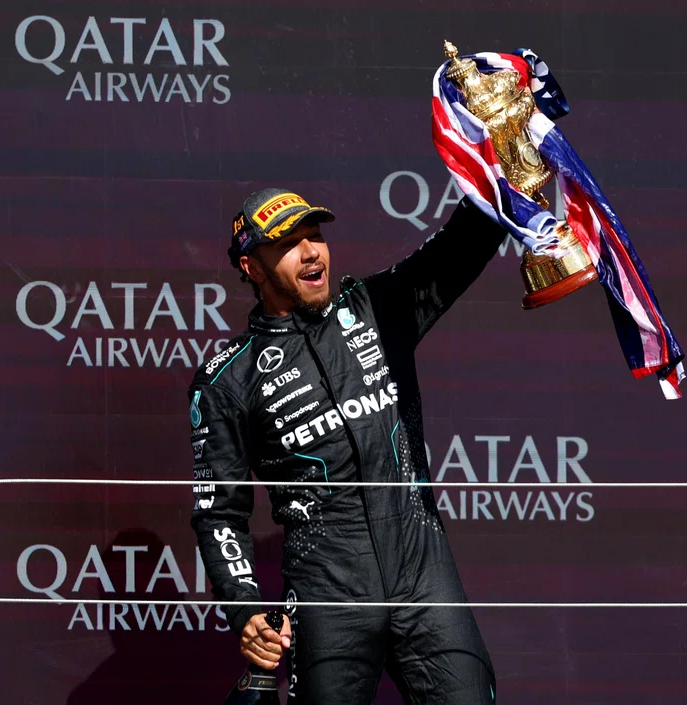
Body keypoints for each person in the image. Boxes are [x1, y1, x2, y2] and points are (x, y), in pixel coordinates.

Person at [189, 187, 507, 704]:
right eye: (290, 244)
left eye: (315, 235)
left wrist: (509, 155)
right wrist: (245, 609)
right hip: (326, 590)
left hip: (425, 575)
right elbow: (218, 514)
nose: (312, 251)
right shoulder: (227, 381)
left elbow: (465, 242)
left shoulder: (380, 308)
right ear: (252, 267)